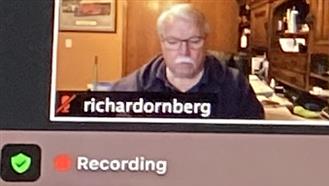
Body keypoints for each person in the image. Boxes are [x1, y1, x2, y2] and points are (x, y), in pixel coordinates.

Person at [109, 4, 264, 120]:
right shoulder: (134, 87)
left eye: (194, 41)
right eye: (173, 42)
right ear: (161, 42)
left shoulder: (235, 86)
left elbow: (254, 142)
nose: (184, 51)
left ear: (206, 41)